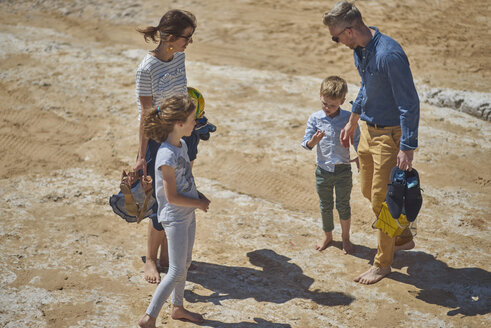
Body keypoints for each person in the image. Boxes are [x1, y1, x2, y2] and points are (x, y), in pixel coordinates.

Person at [323, 1, 420, 284]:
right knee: (368, 191)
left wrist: (407, 146)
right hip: (367, 130)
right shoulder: (361, 50)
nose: (336, 41)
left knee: (383, 200)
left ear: (350, 31)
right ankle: (401, 235)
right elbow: (366, 84)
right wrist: (353, 118)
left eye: (336, 36)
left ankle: (383, 263)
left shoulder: (389, 55)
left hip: (391, 137)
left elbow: (409, 102)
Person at [134, 9, 198, 284]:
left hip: (183, 135)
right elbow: (147, 114)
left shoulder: (179, 56)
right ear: (171, 38)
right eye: (187, 38)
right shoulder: (146, 69)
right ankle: (151, 259)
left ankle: (166, 258)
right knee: (161, 201)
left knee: (180, 192)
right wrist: (141, 157)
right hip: (159, 139)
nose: (189, 43)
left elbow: (181, 92)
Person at [138, 95, 210, 327]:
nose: (195, 124)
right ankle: (149, 317)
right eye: (192, 120)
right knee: (177, 269)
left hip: (187, 214)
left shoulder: (183, 145)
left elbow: (186, 179)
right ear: (179, 123)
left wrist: (198, 196)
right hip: (175, 218)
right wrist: (198, 203)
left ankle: (177, 307)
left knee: (185, 263)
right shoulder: (166, 155)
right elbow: (171, 196)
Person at [301, 76, 360, 254]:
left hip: (343, 169)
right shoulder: (315, 118)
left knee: (343, 204)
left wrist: (359, 156)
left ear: (342, 101)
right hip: (323, 171)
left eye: (332, 105)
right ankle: (327, 236)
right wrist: (313, 141)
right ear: (320, 97)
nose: (327, 109)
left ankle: (345, 238)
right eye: (325, 104)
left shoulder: (349, 118)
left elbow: (358, 140)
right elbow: (306, 144)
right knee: (325, 205)